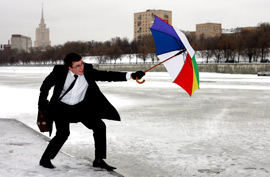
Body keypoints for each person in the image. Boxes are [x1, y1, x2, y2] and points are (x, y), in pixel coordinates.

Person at [38, 52, 145, 171]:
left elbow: (107, 76)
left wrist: (131, 75)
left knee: (99, 126)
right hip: (61, 109)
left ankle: (99, 160)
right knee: (63, 134)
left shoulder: (87, 70)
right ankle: (45, 159)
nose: (81, 67)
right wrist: (42, 103)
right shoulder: (59, 72)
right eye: (77, 66)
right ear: (69, 67)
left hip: (81, 108)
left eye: (81, 64)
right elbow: (45, 86)